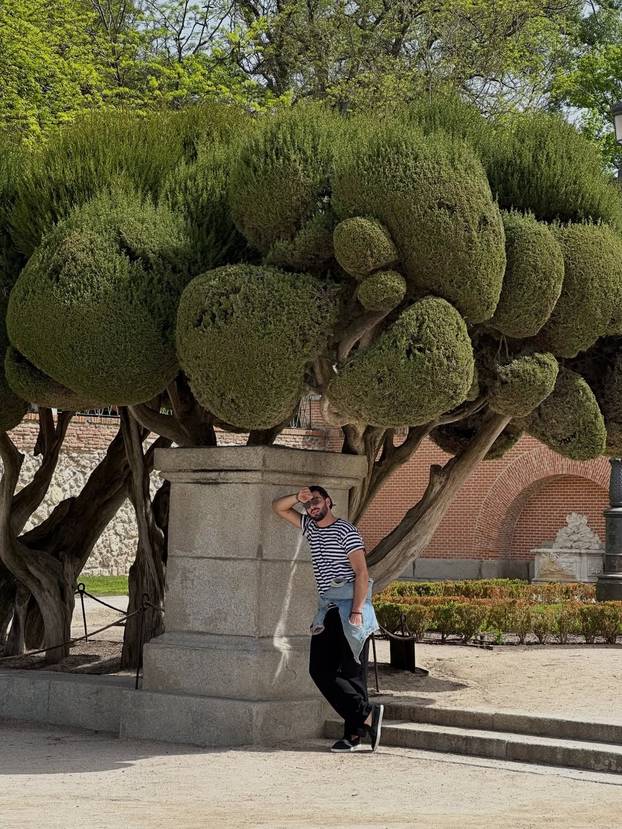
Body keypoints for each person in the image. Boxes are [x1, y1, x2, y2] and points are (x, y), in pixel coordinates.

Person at [272, 485, 383, 753]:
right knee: (320, 669)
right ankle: (366, 716)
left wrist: (356, 611)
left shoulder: (346, 531)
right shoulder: (310, 527)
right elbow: (279, 508)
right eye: (309, 504)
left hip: (349, 607)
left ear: (329, 502)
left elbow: (362, 574)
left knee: (351, 673)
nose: (313, 507)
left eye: (317, 501)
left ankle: (355, 734)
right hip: (328, 608)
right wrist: (298, 497)